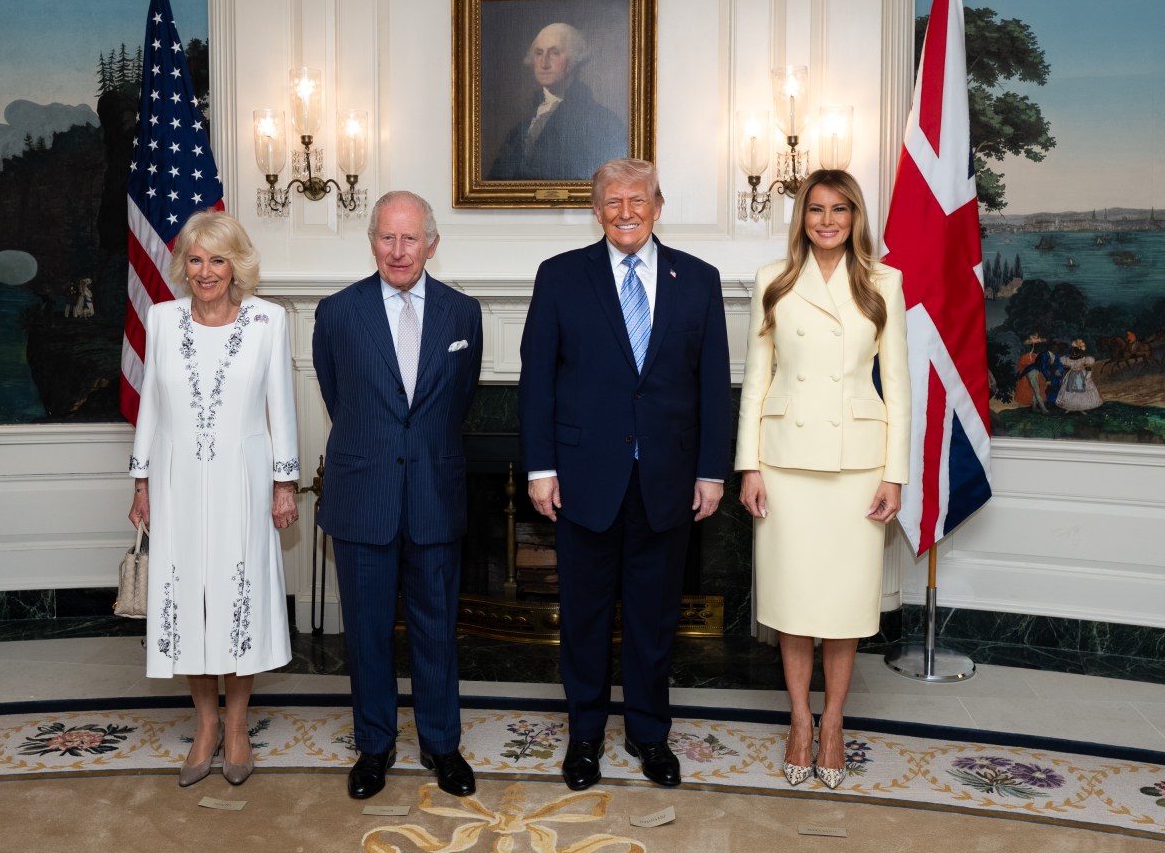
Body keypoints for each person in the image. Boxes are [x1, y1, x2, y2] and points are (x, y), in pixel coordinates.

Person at [519, 158, 731, 791]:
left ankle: (648, 734)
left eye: (637, 199)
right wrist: (540, 468)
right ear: (596, 210)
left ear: (658, 205)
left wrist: (711, 472)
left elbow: (712, 385)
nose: (625, 212)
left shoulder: (698, 279)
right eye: (612, 201)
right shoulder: (559, 277)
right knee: (583, 619)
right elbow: (537, 382)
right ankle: (584, 737)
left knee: (653, 621)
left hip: (668, 481)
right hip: (583, 481)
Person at [734, 169, 910, 790]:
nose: (827, 220)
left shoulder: (885, 282)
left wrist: (895, 474)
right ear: (801, 217)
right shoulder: (772, 282)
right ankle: (799, 721)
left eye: (839, 209)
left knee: (842, 604)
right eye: (816, 209)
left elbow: (900, 386)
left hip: (857, 465)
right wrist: (748, 465)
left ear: (855, 216)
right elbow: (757, 380)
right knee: (793, 602)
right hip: (784, 465)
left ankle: (833, 721)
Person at [312, 191, 484, 800]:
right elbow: (340, 399)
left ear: (432, 244)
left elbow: (456, 404)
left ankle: (442, 746)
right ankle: (374, 747)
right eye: (387, 237)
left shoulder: (464, 314)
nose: (398, 250)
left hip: (436, 496)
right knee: (366, 632)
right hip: (364, 498)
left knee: (437, 630)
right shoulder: (336, 313)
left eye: (411, 239)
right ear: (372, 241)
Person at [127, 210, 300, 788]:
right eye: (196, 259)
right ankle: (204, 726)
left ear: (237, 266)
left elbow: (282, 405)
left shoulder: (268, 321)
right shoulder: (161, 317)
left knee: (234, 597)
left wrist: (283, 483)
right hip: (175, 482)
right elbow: (151, 402)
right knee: (188, 599)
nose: (206, 272)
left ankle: (236, 726)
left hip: (244, 482)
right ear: (184, 265)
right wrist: (141, 481)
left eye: (218, 260)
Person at [487, 22, 628, 181]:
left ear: (575, 59)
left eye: (554, 53)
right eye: (539, 53)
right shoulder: (521, 128)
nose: (544, 63)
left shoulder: (604, 122)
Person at [1056, 339, 1103, 412]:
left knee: (1080, 391)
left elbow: (1088, 366)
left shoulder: (1083, 359)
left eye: (1075, 352)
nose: (1074, 354)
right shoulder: (1068, 360)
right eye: (1072, 353)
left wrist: (1087, 372)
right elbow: (1066, 365)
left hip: (1079, 375)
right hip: (1071, 375)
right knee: (1070, 391)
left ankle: (1081, 408)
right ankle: (1070, 407)